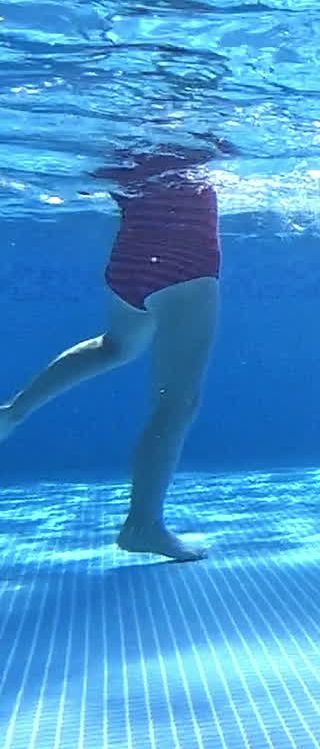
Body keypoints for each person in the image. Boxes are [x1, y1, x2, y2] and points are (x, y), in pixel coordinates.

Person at [0, 139, 230, 562]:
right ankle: (143, 524)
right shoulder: (197, 134)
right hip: (187, 267)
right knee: (176, 403)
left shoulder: (127, 142)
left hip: (129, 263)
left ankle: (13, 411)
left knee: (116, 346)